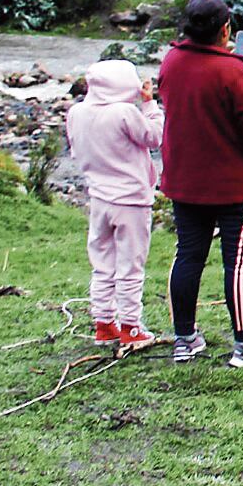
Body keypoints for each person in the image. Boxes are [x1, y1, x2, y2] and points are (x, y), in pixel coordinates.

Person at [159, 0, 243, 367]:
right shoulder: (234, 70)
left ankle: (185, 338)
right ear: (224, 29)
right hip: (235, 186)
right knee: (240, 262)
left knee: (188, 255)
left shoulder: (172, 61)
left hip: (186, 180)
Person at [67, 61, 164, 349]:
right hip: (131, 199)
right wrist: (150, 105)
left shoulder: (77, 112)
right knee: (131, 265)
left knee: (102, 262)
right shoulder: (124, 112)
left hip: (98, 196)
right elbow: (154, 137)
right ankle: (131, 325)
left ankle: (104, 322)